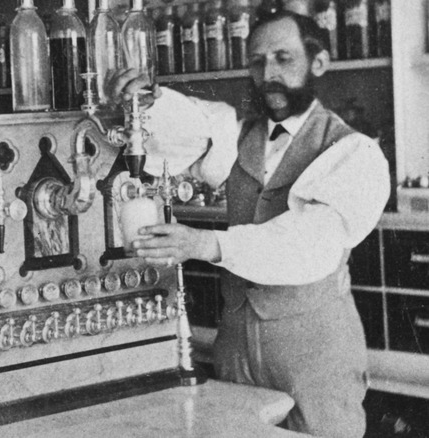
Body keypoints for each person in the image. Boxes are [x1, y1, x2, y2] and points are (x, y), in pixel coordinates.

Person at [107, 9, 389, 438]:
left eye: (283, 58)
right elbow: (192, 128)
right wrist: (150, 101)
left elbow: (306, 243)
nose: (268, 73)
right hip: (235, 343)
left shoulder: (353, 151)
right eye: (257, 62)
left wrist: (205, 244)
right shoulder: (240, 136)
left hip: (313, 351)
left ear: (318, 64)